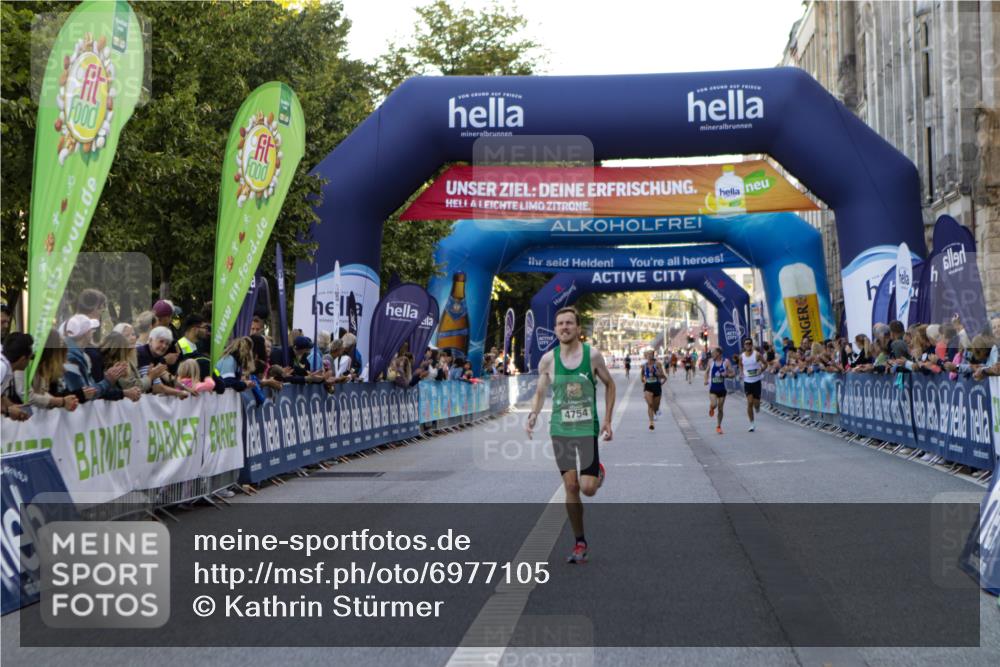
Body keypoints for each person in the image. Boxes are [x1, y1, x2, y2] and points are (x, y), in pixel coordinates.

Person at [526, 306, 615, 564]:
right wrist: (533, 414)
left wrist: (608, 420)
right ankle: (580, 542)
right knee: (571, 486)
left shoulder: (592, 356)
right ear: (555, 329)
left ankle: (597, 473)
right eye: (560, 324)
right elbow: (540, 392)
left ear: (577, 328)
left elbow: (610, 384)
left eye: (569, 323)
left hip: (586, 429)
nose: (564, 327)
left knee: (588, 489)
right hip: (560, 429)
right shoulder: (548, 360)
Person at [63, 315, 125, 402]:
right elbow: (86, 394)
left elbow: (89, 390)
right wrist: (108, 381)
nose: (92, 332)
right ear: (86, 333)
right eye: (91, 329)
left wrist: (108, 377)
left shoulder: (79, 355)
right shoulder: (72, 357)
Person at [28, 330, 79, 412]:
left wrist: (64, 401)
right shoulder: (32, 368)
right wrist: (61, 402)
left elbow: (43, 393)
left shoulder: (44, 369)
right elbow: (30, 397)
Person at [1, 333, 33, 420]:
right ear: (22, 359)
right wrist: (9, 411)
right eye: (30, 358)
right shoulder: (2, 367)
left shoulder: (5, 365)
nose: (29, 362)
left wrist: (11, 406)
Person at [704, 346, 734, 435]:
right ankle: (711, 407)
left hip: (722, 389)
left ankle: (718, 426)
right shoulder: (710, 361)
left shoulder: (726, 362)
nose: (712, 354)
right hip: (713, 388)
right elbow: (706, 372)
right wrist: (705, 380)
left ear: (718, 353)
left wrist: (726, 375)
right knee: (714, 404)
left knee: (720, 409)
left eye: (713, 353)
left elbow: (733, 373)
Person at [738, 339, 765, 432]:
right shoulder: (741, 356)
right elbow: (740, 365)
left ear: (752, 345)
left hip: (756, 381)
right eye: (746, 344)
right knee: (749, 402)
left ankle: (757, 407)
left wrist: (761, 370)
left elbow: (765, 364)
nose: (748, 345)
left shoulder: (757, 355)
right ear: (744, 345)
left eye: (749, 343)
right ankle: (752, 424)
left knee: (756, 404)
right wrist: (741, 372)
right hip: (747, 382)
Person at [640, 349, 666, 430]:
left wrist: (658, 374)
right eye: (647, 354)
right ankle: (651, 422)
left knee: (656, 406)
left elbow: (663, 375)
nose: (649, 356)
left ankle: (657, 410)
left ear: (653, 355)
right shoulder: (644, 365)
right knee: (650, 404)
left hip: (656, 385)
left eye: (650, 354)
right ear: (646, 356)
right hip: (648, 386)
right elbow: (642, 375)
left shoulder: (657, 364)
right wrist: (643, 380)